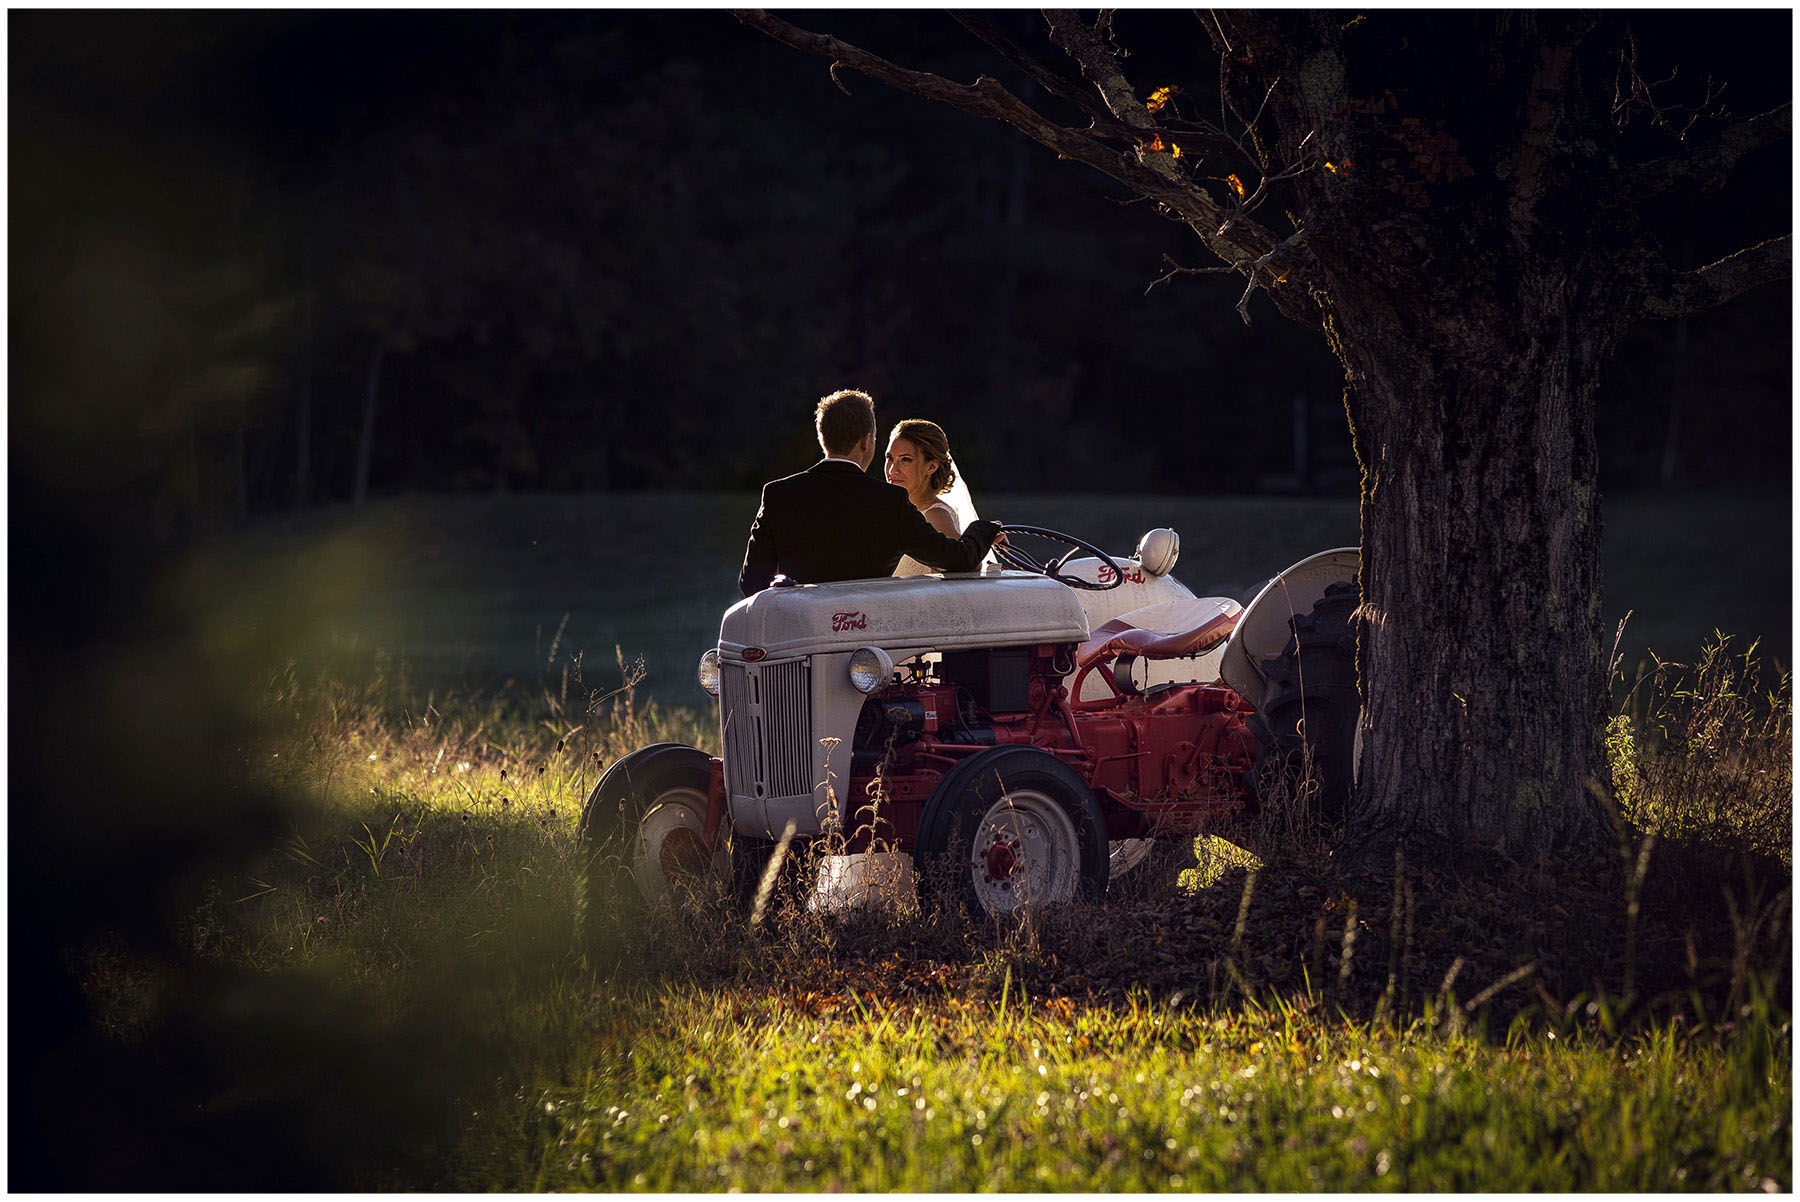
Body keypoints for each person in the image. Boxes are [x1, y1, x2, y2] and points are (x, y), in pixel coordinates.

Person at [738, 390, 1003, 596]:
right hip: (866, 646)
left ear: (822, 438)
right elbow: (956, 560)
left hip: (798, 642)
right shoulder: (890, 501)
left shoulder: (777, 495)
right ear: (867, 441)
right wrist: (983, 529)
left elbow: (752, 584)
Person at [884, 418, 980, 577]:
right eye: (890, 458)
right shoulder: (897, 510)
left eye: (905, 459)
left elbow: (965, 563)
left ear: (931, 466)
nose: (893, 470)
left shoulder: (935, 515)